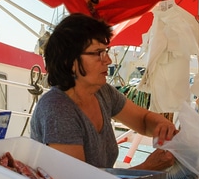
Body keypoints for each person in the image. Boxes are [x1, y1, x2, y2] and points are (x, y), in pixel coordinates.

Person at [31, 14, 176, 170]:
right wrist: (147, 168)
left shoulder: (102, 92)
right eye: (99, 53)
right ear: (70, 61)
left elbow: (142, 120)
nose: (108, 60)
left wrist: (162, 125)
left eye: (106, 51)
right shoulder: (58, 110)